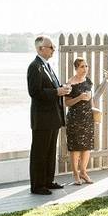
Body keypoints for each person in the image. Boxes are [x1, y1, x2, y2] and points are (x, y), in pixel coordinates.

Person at [27, 36, 71, 195]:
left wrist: (63, 89)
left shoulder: (47, 66)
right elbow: (34, 92)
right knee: (40, 152)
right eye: (50, 47)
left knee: (51, 151)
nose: (54, 49)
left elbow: (53, 88)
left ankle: (48, 181)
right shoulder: (34, 66)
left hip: (53, 117)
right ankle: (37, 186)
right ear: (40, 49)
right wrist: (56, 92)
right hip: (42, 118)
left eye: (53, 47)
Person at [64, 58, 95, 184]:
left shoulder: (88, 81)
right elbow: (67, 103)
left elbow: (91, 98)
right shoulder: (70, 83)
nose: (85, 69)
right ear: (76, 68)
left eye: (86, 66)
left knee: (87, 146)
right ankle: (75, 174)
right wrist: (80, 97)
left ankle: (83, 172)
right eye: (82, 66)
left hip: (87, 117)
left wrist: (93, 110)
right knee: (75, 147)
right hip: (75, 118)